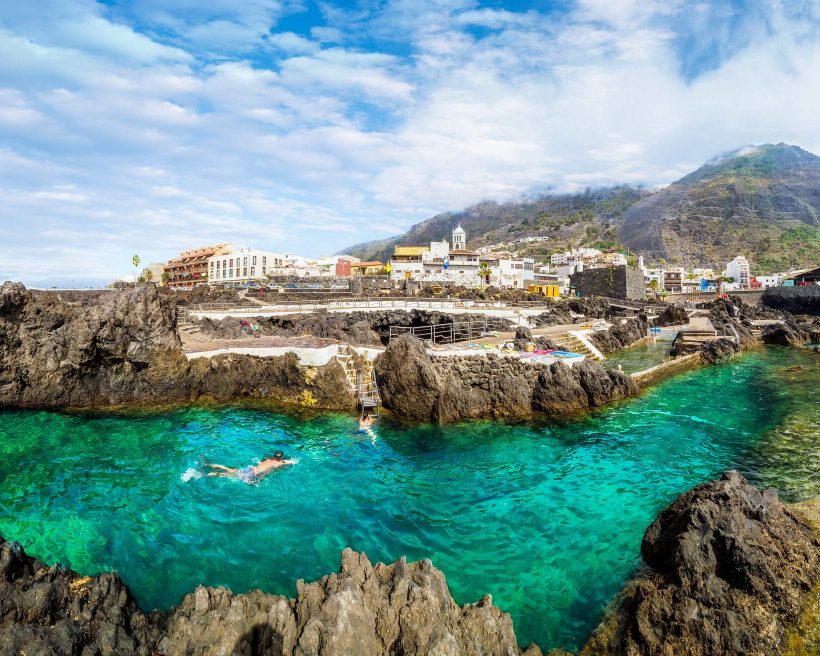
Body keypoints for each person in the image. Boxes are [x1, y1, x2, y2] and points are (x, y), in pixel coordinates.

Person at [202, 450, 296, 485]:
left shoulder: (268, 459)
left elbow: (260, 462)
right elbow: (292, 461)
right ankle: (209, 474)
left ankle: (209, 465)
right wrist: (292, 461)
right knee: (227, 475)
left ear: (274, 455)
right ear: (281, 457)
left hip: (251, 469)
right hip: (253, 475)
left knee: (231, 470)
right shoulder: (279, 463)